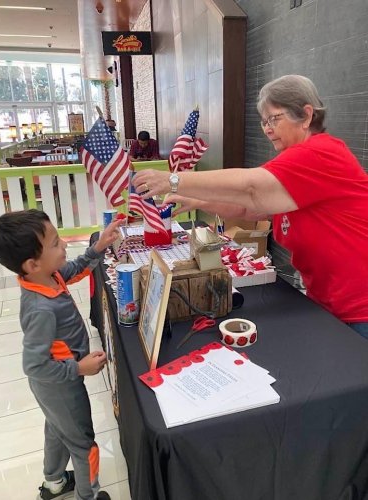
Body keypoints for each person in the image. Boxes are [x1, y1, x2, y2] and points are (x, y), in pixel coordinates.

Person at [132, 74, 368, 337]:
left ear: (306, 115)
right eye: (264, 121)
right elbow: (250, 209)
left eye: (274, 118)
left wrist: (173, 180)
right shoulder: (299, 160)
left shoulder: (320, 153)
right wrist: (196, 201)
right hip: (327, 300)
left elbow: (251, 189)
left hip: (358, 308)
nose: (267, 128)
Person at [0, 209, 119, 500]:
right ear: (31, 263)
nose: (63, 244)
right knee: (84, 444)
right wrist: (78, 369)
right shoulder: (39, 309)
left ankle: (54, 482)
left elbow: (74, 269)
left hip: (53, 386)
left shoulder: (46, 276)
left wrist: (98, 247)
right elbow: (34, 365)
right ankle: (88, 496)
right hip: (59, 385)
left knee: (57, 429)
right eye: (54, 243)